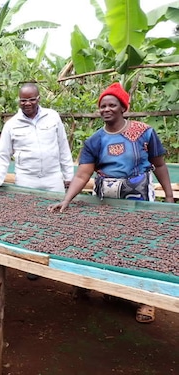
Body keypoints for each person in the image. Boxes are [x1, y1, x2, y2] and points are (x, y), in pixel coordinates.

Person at [47, 82, 174, 323]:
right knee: (104, 240)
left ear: (123, 107)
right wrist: (66, 200)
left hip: (138, 197)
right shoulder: (95, 140)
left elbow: (159, 165)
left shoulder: (144, 132)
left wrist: (168, 197)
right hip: (106, 197)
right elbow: (83, 174)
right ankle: (97, 284)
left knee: (141, 244)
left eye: (112, 105)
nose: (106, 109)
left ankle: (146, 300)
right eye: (102, 105)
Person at [0, 83, 74, 280]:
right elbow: (3, 155)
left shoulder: (52, 117)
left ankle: (57, 259)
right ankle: (32, 263)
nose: (28, 103)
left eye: (31, 99)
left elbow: (63, 148)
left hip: (52, 177)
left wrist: (69, 177)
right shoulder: (11, 124)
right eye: (23, 100)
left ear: (38, 98)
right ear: (19, 101)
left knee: (58, 218)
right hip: (27, 178)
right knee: (28, 219)